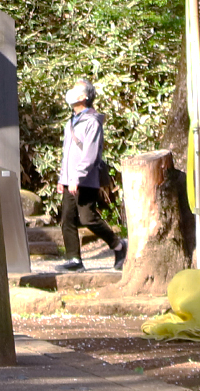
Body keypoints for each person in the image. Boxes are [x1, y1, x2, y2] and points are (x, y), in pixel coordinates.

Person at [54, 78, 124, 274]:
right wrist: (62, 178)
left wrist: (77, 177)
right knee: (67, 219)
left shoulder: (92, 122)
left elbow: (91, 154)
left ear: (84, 97)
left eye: (75, 90)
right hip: (69, 180)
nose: (70, 92)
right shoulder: (71, 122)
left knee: (88, 218)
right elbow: (67, 153)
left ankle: (118, 246)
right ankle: (74, 259)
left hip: (85, 180)